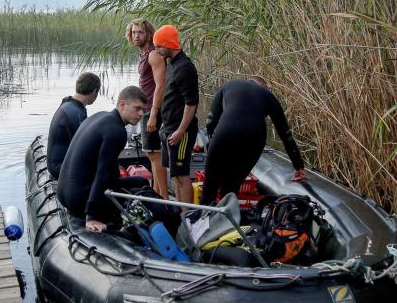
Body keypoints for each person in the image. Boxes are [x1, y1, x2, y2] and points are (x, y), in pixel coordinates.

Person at [57, 85, 150, 232]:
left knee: (141, 181)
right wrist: (92, 215)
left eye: (143, 110)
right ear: (122, 104)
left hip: (64, 195)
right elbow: (103, 174)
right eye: (137, 108)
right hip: (79, 200)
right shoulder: (117, 131)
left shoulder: (99, 117)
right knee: (140, 190)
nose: (141, 114)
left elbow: (109, 173)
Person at [200, 76, 306, 205]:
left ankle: (203, 219)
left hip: (226, 131)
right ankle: (227, 219)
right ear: (263, 87)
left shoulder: (229, 85)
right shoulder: (269, 96)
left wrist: (213, 145)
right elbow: (286, 135)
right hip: (255, 138)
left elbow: (211, 122)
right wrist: (298, 166)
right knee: (231, 188)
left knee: (210, 187)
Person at [153, 24, 198, 204]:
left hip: (181, 132)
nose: (156, 50)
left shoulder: (185, 68)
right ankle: (179, 211)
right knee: (174, 174)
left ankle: (186, 216)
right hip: (169, 128)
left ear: (169, 44)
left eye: (158, 46)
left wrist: (180, 131)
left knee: (182, 175)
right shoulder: (171, 63)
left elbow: (191, 103)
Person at [126, 18, 169, 198]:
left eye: (140, 32)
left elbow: (161, 86)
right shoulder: (143, 53)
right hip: (146, 108)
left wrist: (153, 114)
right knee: (151, 154)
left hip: (153, 109)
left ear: (148, 34)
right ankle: (157, 194)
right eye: (134, 32)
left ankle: (165, 199)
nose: (136, 36)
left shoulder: (153, 54)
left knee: (155, 155)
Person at [46, 72, 101, 179]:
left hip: (57, 164)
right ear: (95, 91)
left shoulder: (68, 104)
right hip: (60, 168)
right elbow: (85, 148)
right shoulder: (76, 113)